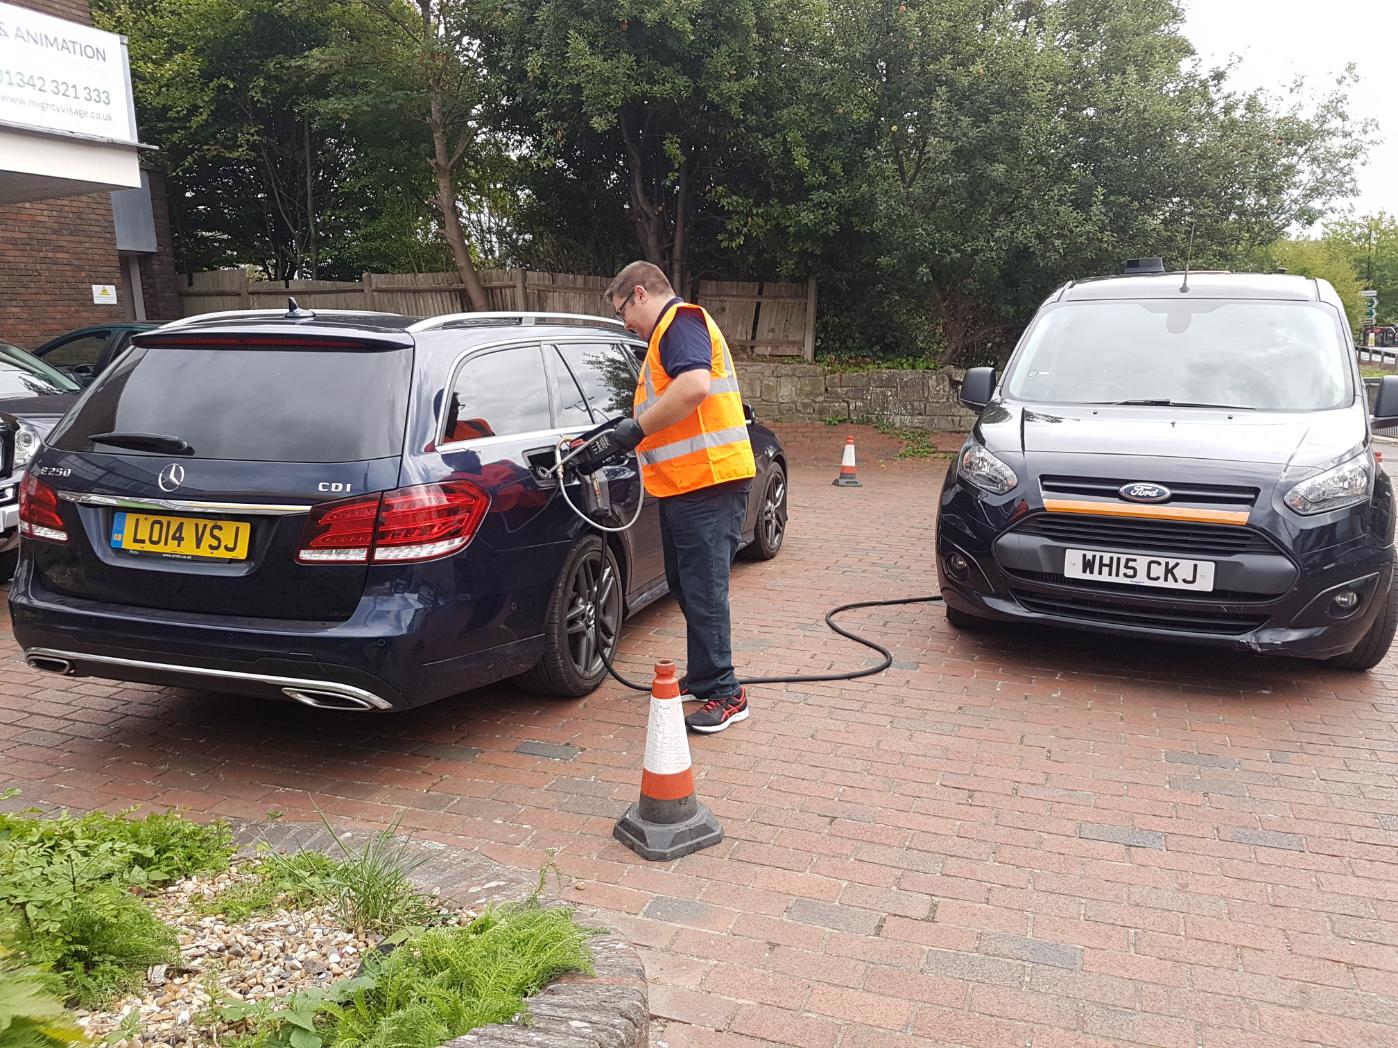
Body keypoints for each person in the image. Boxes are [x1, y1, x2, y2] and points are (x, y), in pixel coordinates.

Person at [598, 261, 757, 733]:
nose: (626, 323)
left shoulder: (681, 322)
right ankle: (706, 677)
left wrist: (636, 430)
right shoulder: (665, 335)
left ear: (641, 294)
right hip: (686, 484)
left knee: (705, 590)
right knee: (687, 584)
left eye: (624, 310)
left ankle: (728, 694)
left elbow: (694, 386)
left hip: (710, 482)